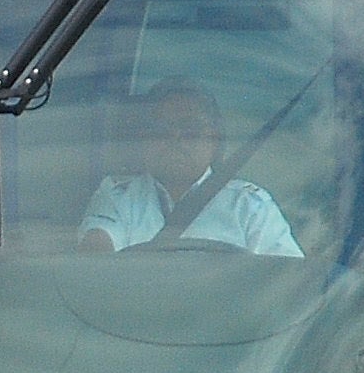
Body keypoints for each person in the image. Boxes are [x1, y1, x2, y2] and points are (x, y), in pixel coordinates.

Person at [78, 80, 303, 259]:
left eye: (191, 129)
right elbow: (96, 258)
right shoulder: (117, 196)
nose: (175, 139)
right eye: (160, 130)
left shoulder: (250, 206)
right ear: (143, 139)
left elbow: (288, 283)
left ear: (214, 141)